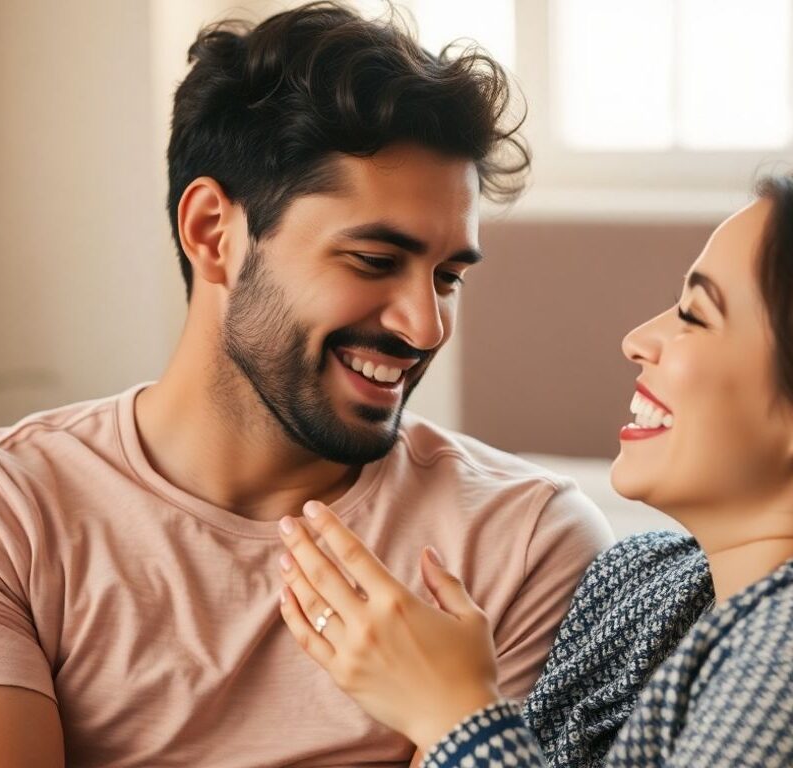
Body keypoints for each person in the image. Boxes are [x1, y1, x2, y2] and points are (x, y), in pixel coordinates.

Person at [0, 3, 614, 766]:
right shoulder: (14, 515)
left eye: (447, 276)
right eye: (374, 261)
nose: (426, 328)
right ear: (213, 233)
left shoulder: (523, 545)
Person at [276, 178, 793, 767]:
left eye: (695, 317)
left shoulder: (781, 652)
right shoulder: (637, 580)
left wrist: (454, 715)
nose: (636, 339)